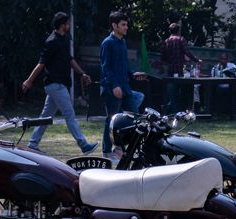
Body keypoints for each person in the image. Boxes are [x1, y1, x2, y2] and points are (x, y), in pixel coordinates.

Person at [21, 12, 98, 154]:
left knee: (45, 117)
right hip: (56, 85)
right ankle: (83, 145)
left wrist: (82, 74)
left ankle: (32, 143)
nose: (69, 25)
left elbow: (70, 60)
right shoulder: (51, 42)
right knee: (70, 115)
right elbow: (41, 64)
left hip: (58, 85)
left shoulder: (62, 40)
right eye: (68, 23)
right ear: (63, 25)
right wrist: (29, 80)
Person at [100, 11, 146, 162]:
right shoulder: (108, 43)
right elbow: (106, 68)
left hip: (125, 88)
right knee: (111, 120)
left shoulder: (122, 42)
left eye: (127, 24)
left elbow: (123, 66)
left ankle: (123, 149)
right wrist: (114, 86)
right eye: (123, 25)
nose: (126, 27)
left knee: (135, 118)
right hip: (112, 89)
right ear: (114, 26)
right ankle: (107, 152)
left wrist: (133, 74)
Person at [158, 22, 201, 113]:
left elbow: (162, 58)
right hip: (181, 70)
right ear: (178, 31)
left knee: (172, 92)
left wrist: (169, 63)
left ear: (170, 31)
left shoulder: (166, 41)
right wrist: (196, 60)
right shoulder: (181, 39)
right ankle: (186, 111)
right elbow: (187, 52)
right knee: (185, 90)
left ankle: (172, 112)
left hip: (171, 71)